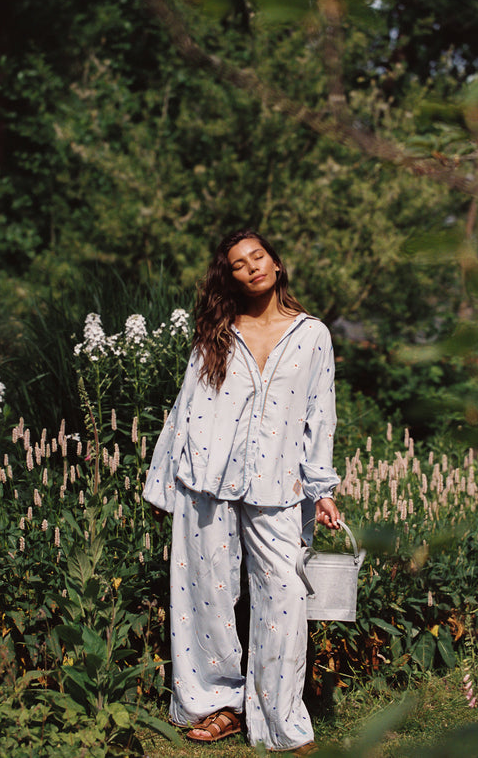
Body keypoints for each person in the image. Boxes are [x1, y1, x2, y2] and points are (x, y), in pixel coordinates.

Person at [143, 229, 341, 756]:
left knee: (285, 596)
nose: (251, 267)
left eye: (258, 257)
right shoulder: (217, 332)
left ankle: (281, 719)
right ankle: (218, 705)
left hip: (278, 485)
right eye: (237, 264)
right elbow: (187, 407)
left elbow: (320, 415)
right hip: (206, 480)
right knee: (206, 596)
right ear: (227, 276)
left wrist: (321, 488)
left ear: (277, 264)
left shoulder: (311, 335)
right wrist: (170, 481)